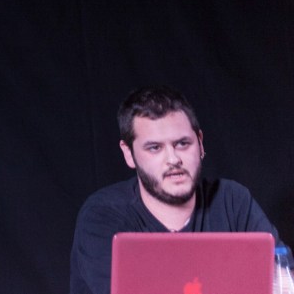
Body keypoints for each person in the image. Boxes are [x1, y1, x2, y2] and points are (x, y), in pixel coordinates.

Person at [69, 86, 283, 294]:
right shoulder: (104, 215)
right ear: (129, 153)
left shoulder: (232, 201)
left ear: (200, 143)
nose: (173, 159)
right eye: (155, 148)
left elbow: (281, 278)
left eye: (182, 144)